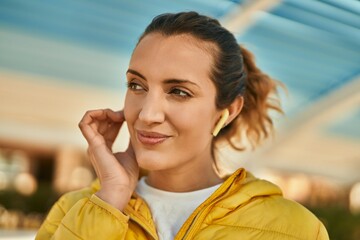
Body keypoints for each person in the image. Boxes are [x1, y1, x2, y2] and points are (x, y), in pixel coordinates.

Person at [36, 11, 329, 240]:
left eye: (178, 92)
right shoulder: (75, 210)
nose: (147, 114)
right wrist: (109, 201)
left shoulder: (296, 229)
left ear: (227, 111)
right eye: (136, 85)